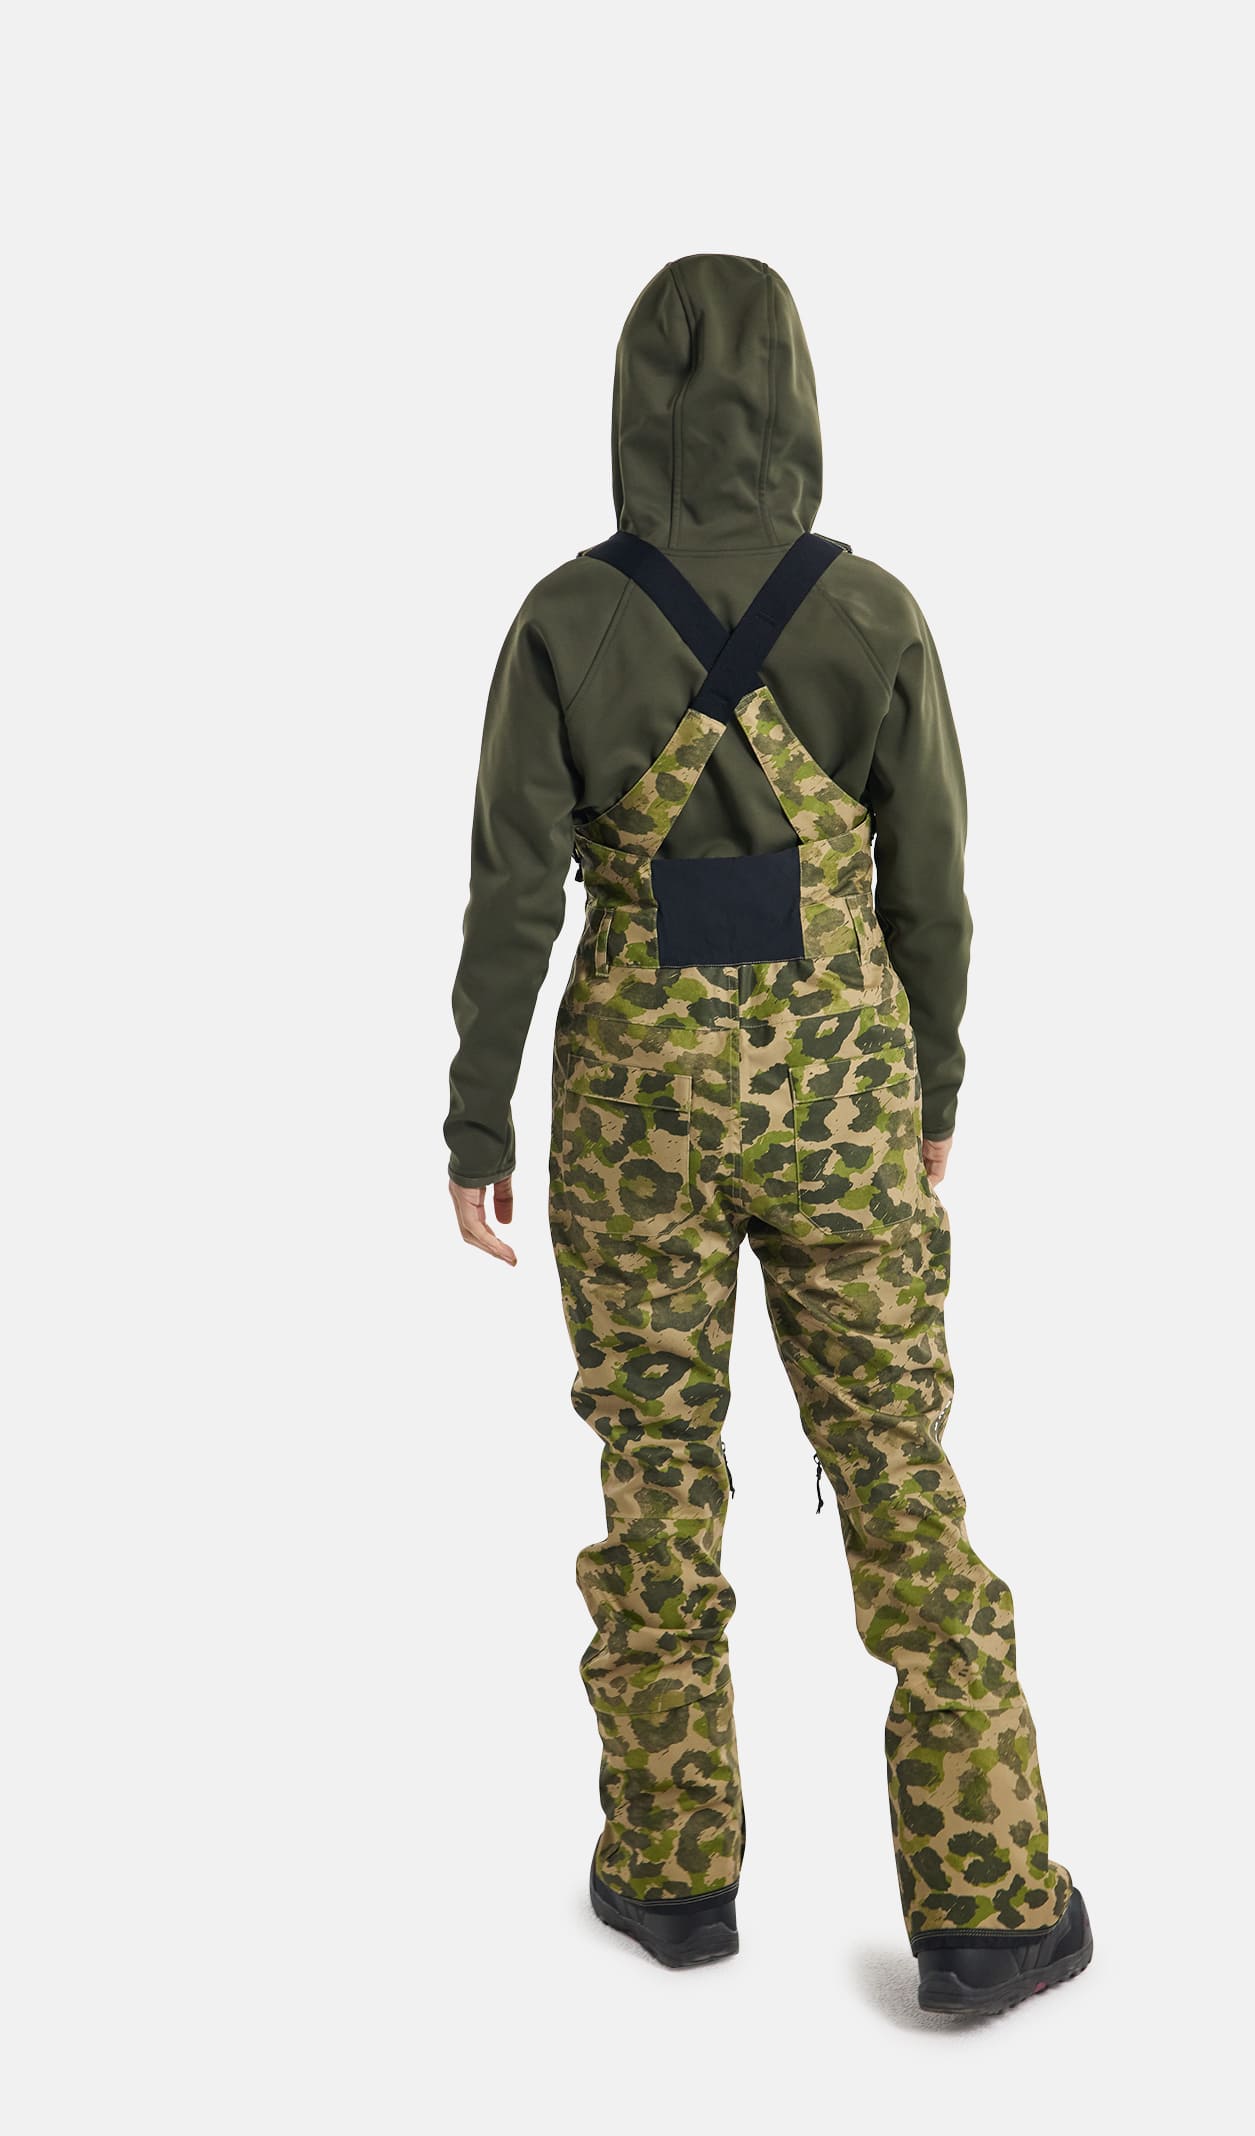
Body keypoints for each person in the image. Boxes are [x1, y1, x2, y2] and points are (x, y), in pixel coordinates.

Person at [444, 255, 1089, 2014]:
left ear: (628, 409)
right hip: (840, 1102)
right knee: (896, 1469)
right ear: (798, 401)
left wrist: (476, 1117)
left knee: (654, 1477)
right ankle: (987, 1907)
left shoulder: (563, 621)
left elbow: (511, 894)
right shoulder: (870, 612)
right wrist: (932, 1093)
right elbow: (934, 887)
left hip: (631, 1109)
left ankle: (670, 1879)